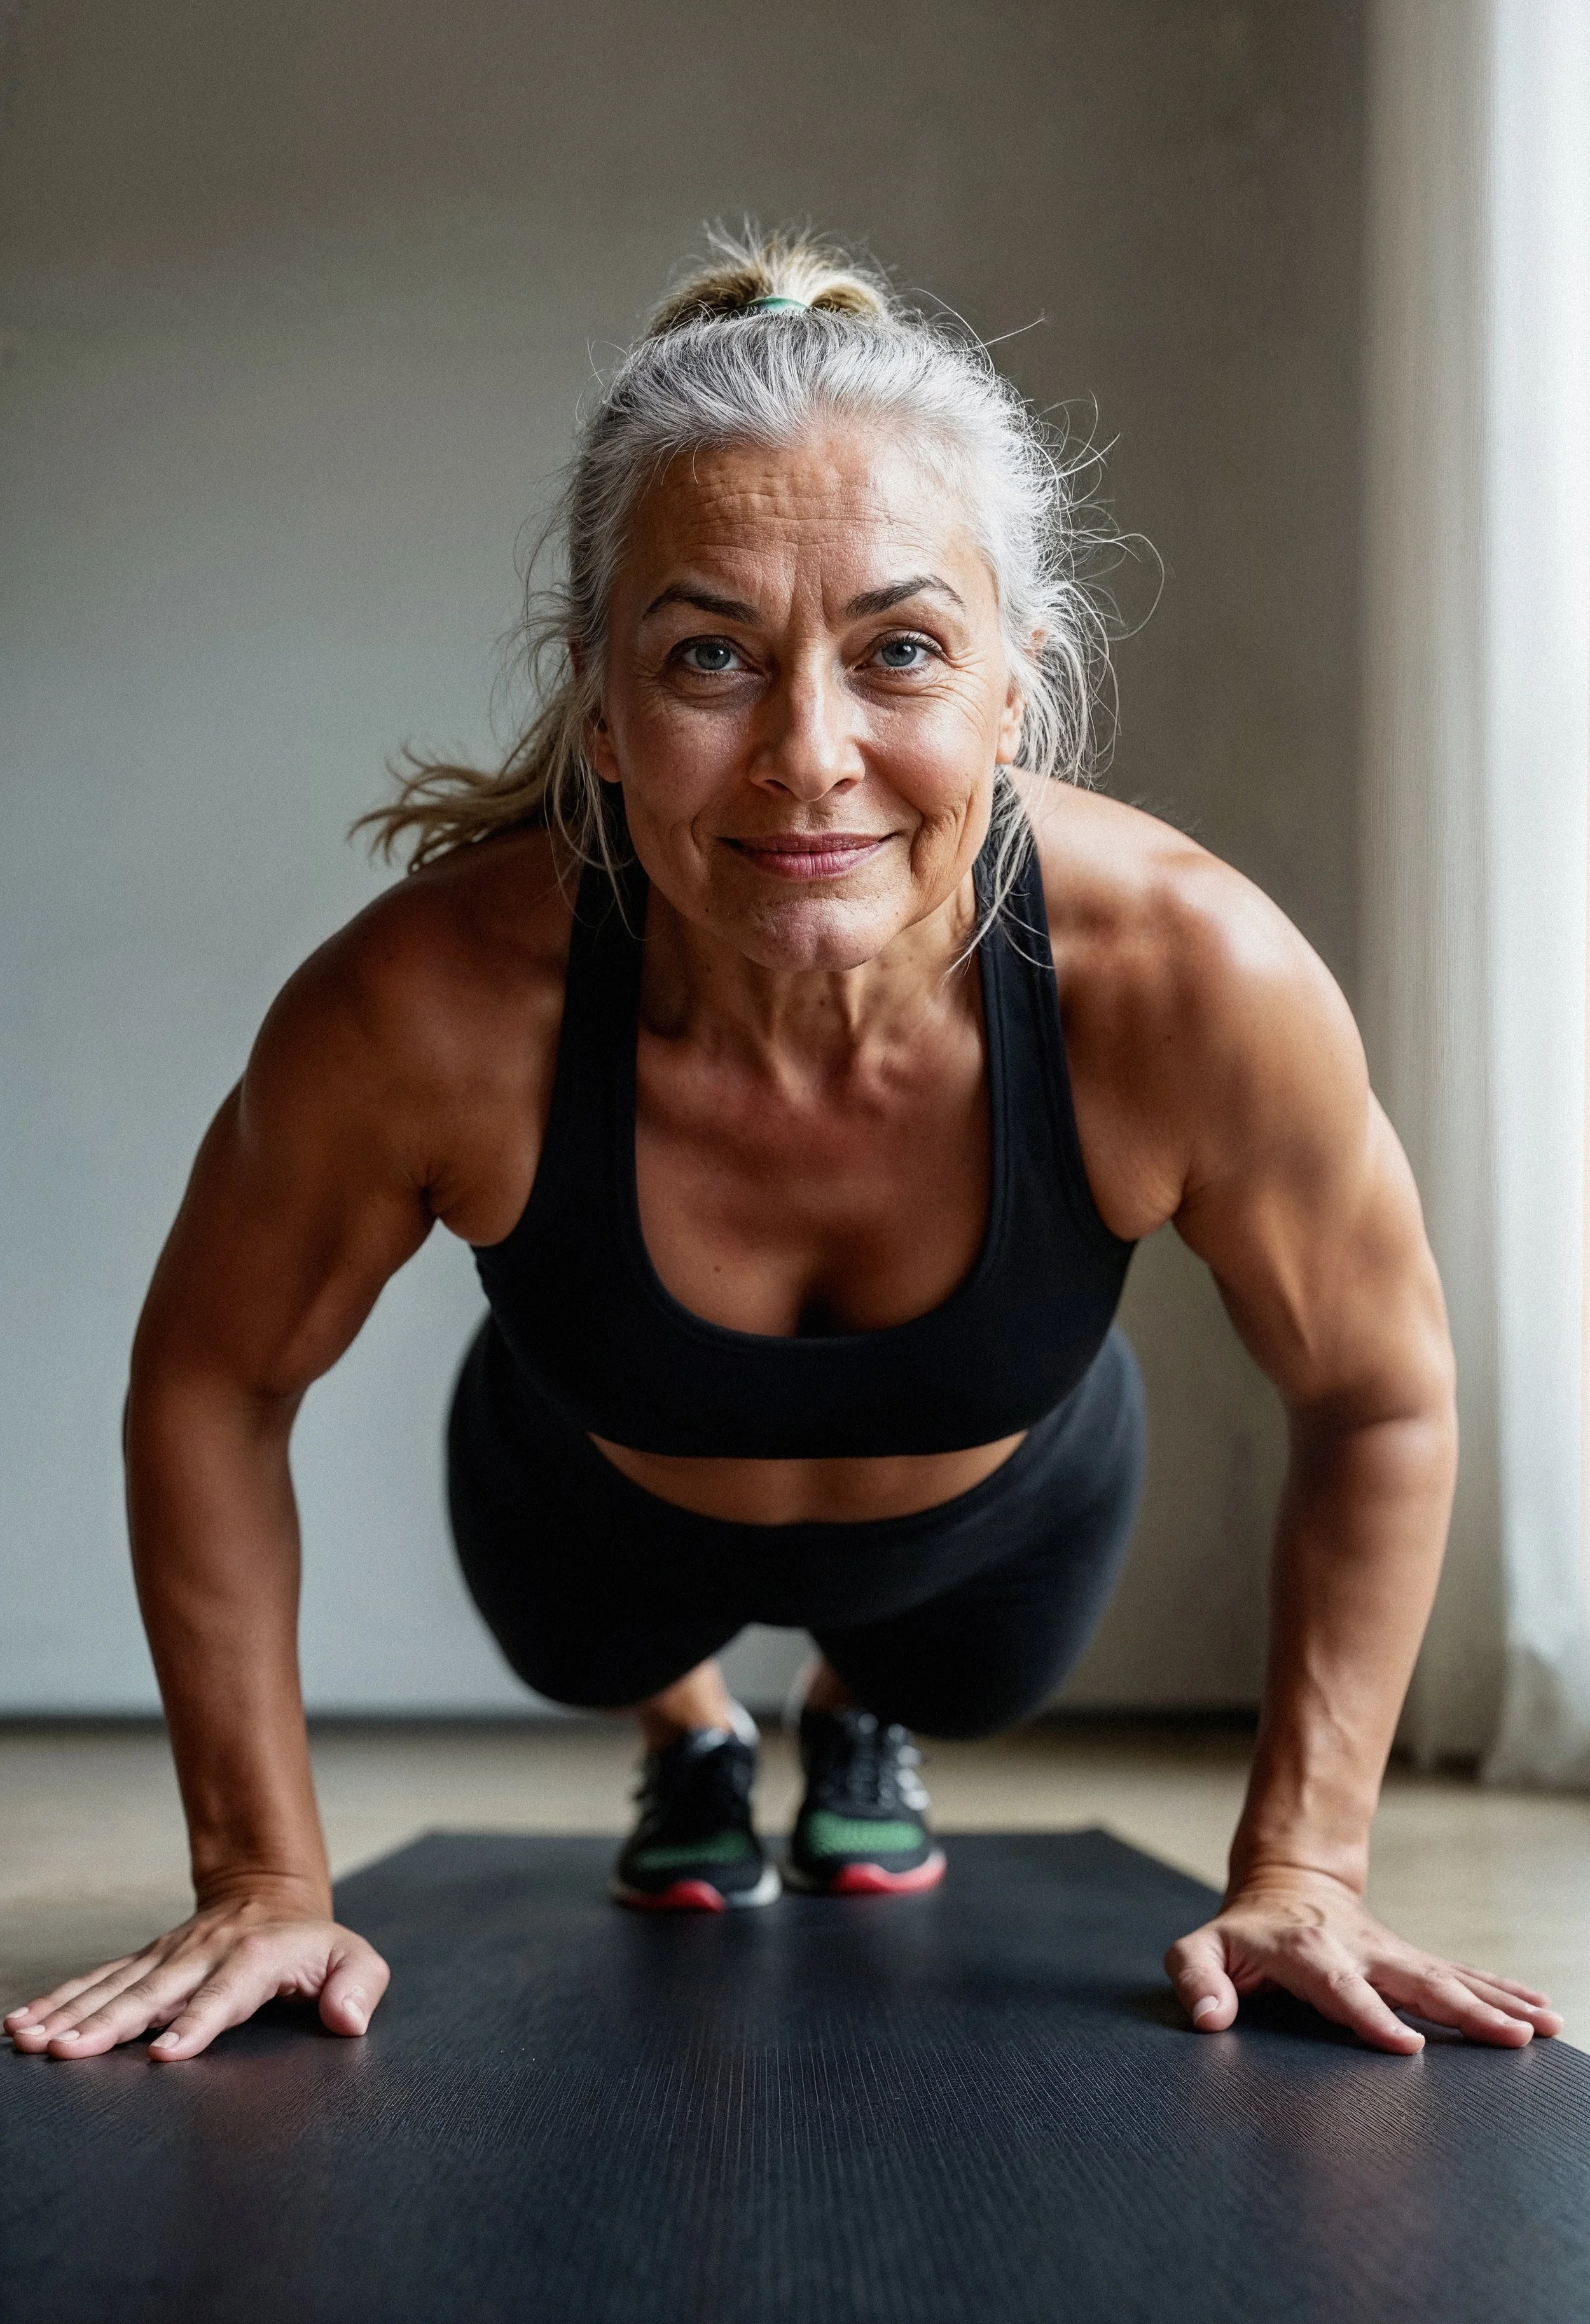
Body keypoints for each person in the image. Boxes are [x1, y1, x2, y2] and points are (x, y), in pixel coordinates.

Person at [6, 230, 1561, 2066]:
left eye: (899, 649)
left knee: (957, 1680)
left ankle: (849, 1709)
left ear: (1010, 680)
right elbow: (208, 1377)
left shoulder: (1191, 977)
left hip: (995, 1530)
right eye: (707, 658)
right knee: (585, 1650)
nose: (805, 755)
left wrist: (1307, 1864)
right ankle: (691, 1729)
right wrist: (258, 1871)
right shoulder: (428, 1003)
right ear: (597, 701)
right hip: (584, 1516)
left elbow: (1380, 1391)